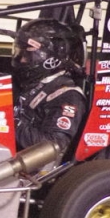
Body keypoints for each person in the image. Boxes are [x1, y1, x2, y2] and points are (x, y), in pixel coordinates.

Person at [11, 18, 87, 154]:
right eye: (20, 53)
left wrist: (9, 123)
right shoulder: (30, 84)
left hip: (32, 164)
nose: (21, 60)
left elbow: (53, 146)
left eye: (28, 55)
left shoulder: (68, 96)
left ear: (51, 58)